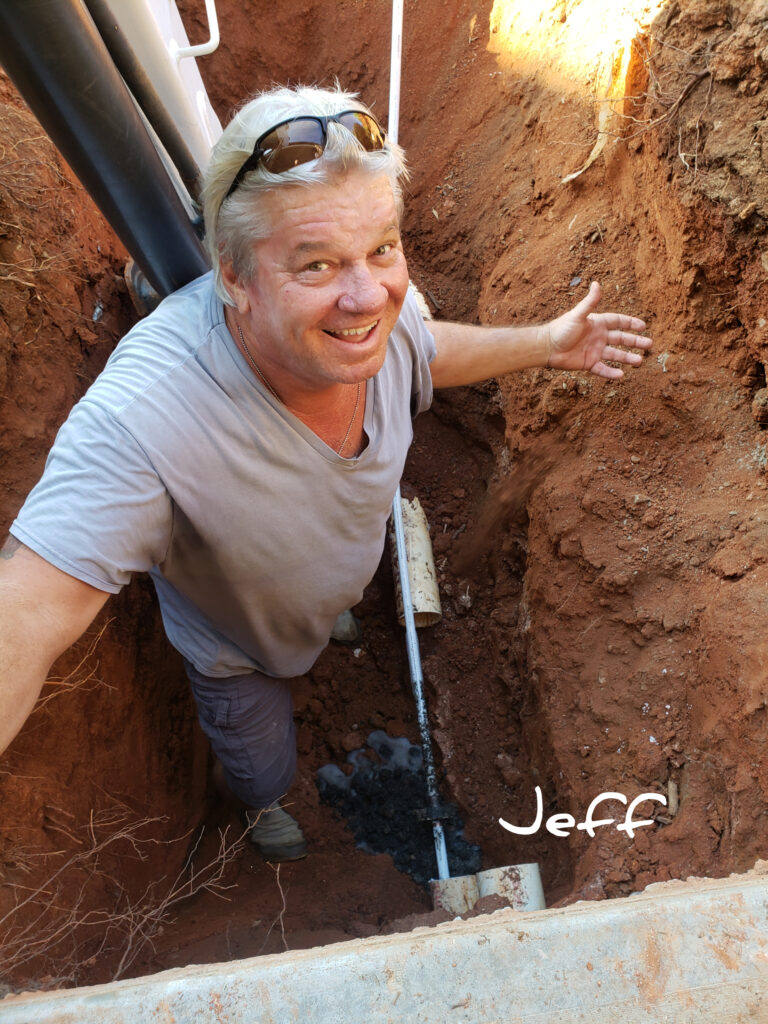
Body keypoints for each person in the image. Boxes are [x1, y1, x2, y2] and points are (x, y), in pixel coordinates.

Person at [0, 85, 651, 861]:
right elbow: (27, 611)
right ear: (234, 277)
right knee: (262, 760)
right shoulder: (147, 419)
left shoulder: (373, 314)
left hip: (317, 581)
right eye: (317, 264)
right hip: (240, 652)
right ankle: (258, 808)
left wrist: (548, 342)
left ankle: (325, 615)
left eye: (382, 248)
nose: (367, 296)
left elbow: (428, 347)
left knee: (325, 598)